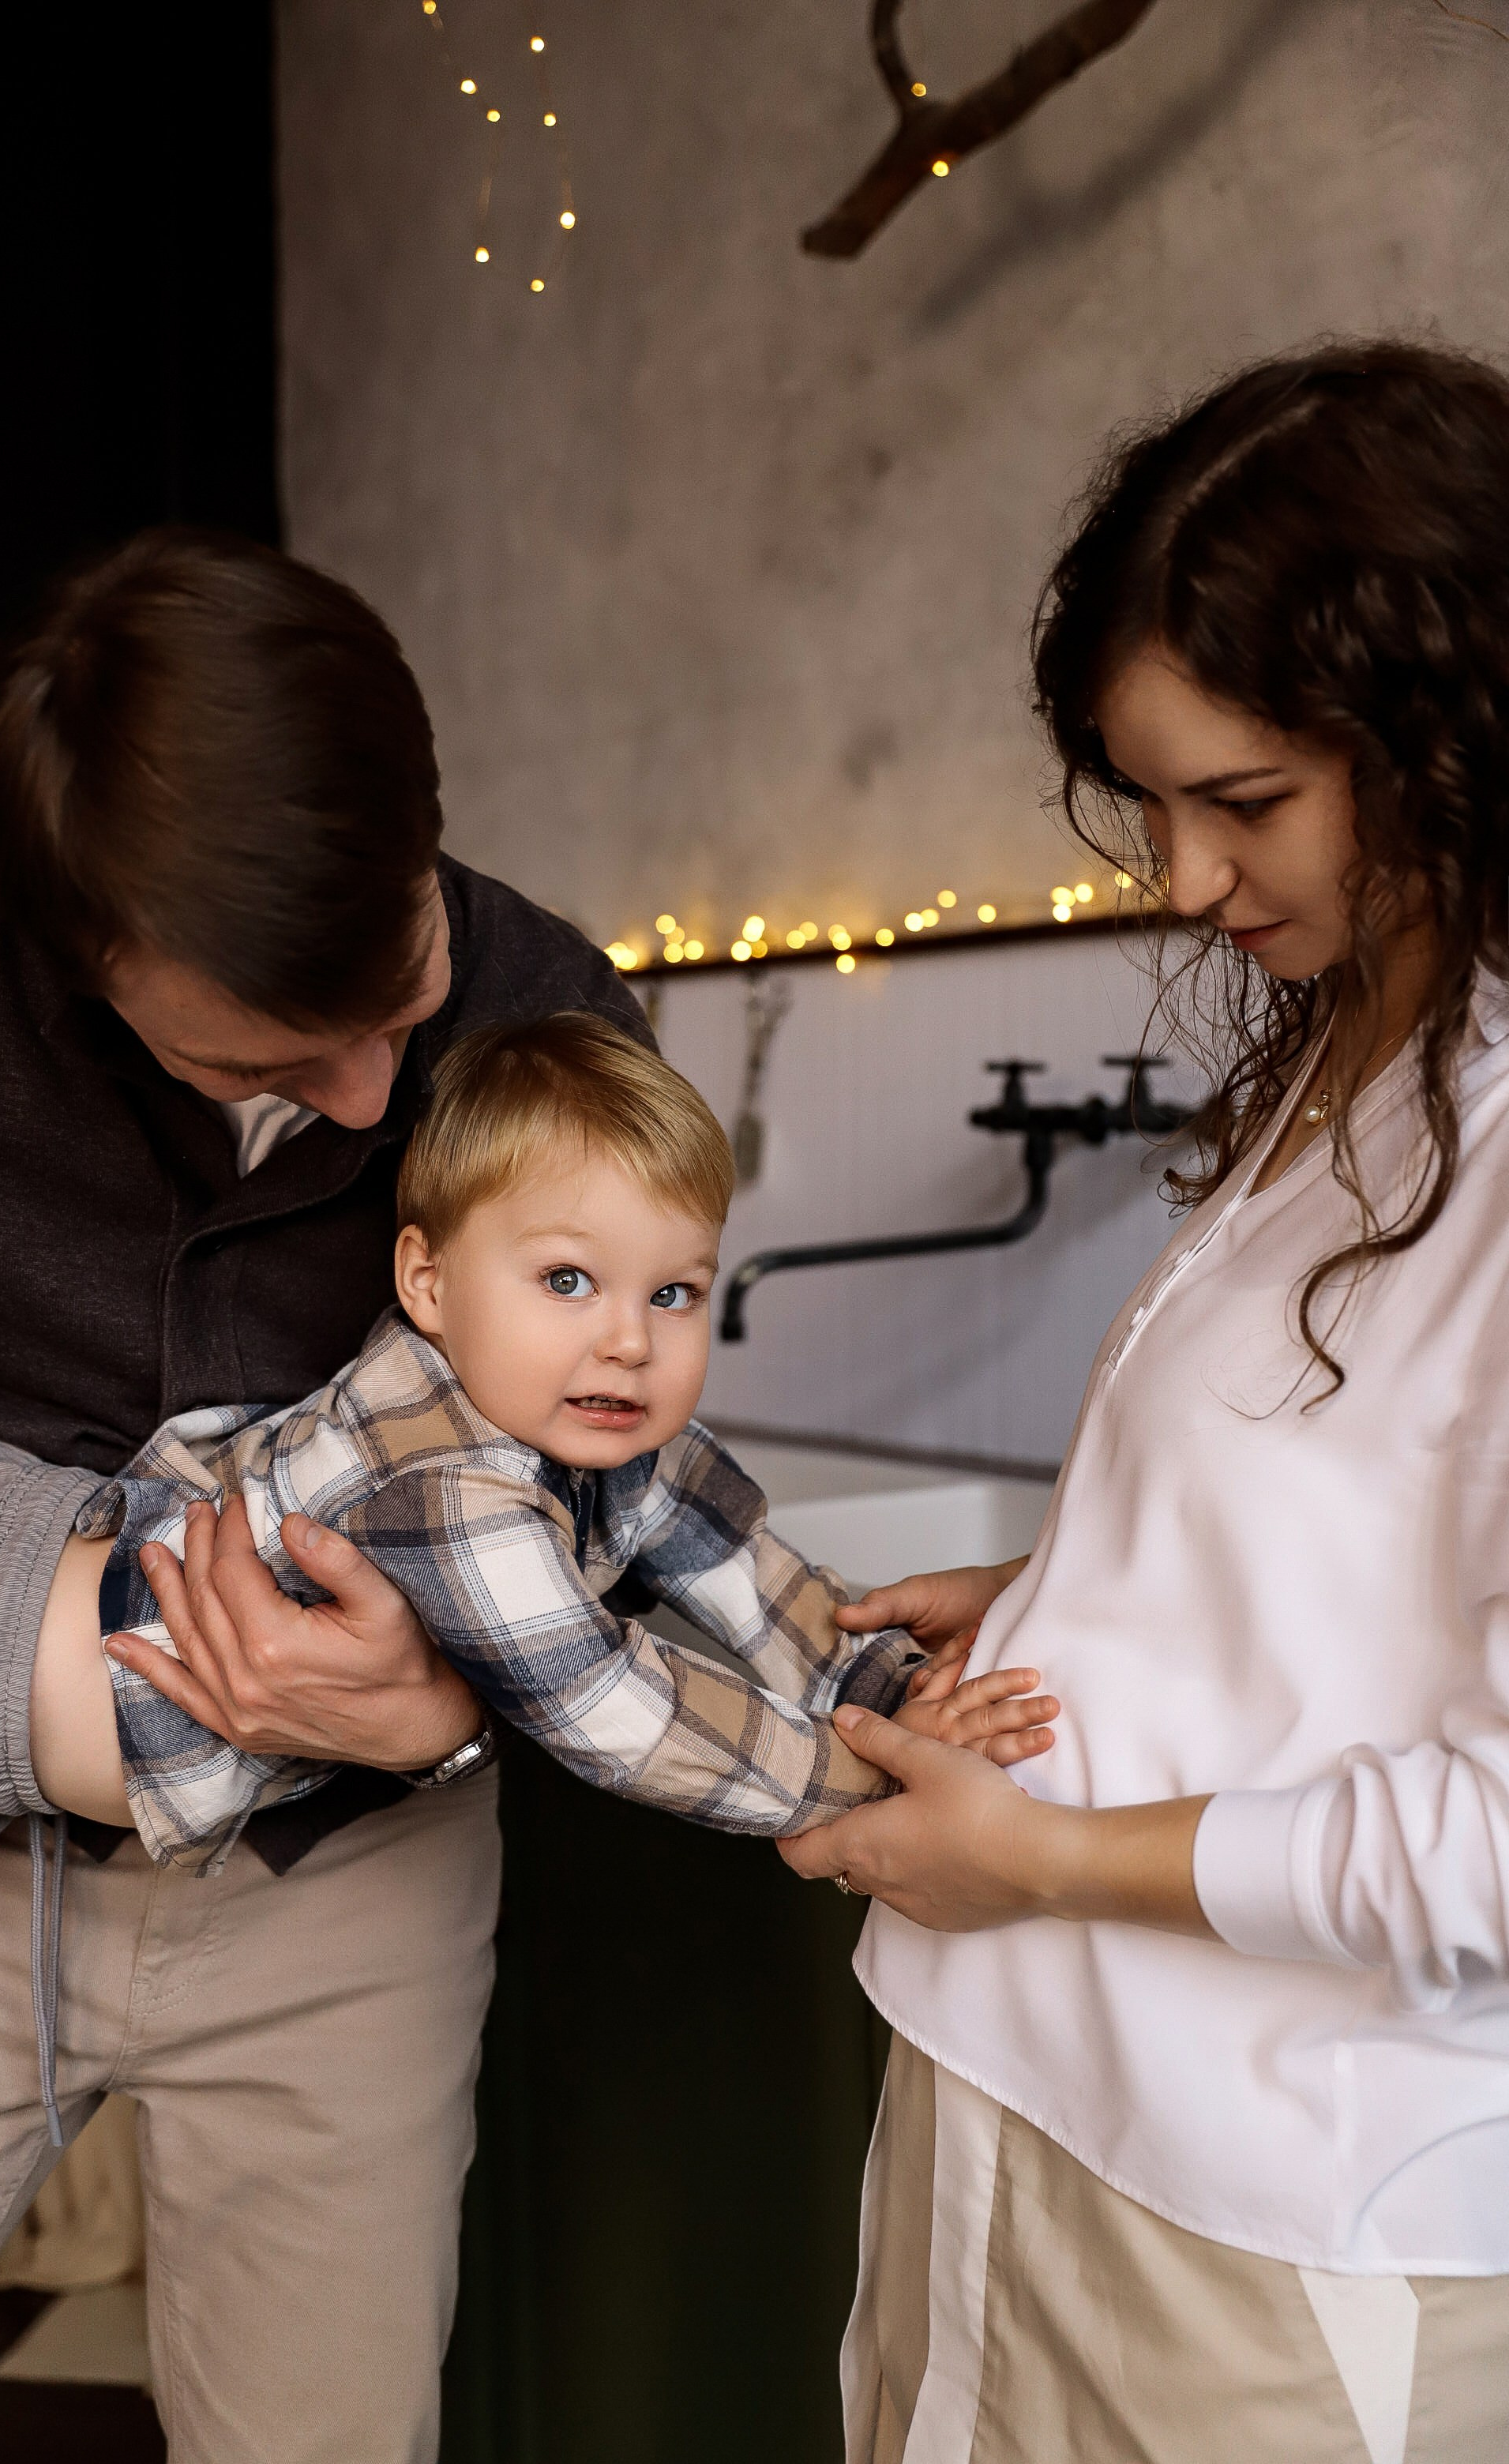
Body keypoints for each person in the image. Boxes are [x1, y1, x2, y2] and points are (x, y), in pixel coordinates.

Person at [780, 340, 1509, 2461]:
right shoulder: (1360, 1048)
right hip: (1007, 2088)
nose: (1182, 879)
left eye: (1247, 802)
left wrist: (1054, 1854)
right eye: (1154, 802)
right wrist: (1069, 1588)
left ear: (1454, 736)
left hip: (1275, 2220)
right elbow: (1359, 1531)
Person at [0, 528, 643, 2464]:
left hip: (347, 1892)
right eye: (281, 1057)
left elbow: (615, 1466)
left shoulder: (555, 1010)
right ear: (73, 956)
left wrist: (456, 1704)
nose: (383, 1101)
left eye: (400, 991)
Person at [0, 1012, 1057, 1919]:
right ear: (427, 1284)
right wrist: (875, 1790)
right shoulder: (453, 1494)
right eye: (568, 1281)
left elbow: (764, 1580)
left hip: (6, 1599)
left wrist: (899, 1695)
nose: (629, 1338)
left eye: (675, 1291)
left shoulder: (611, 1434)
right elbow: (613, 1711)